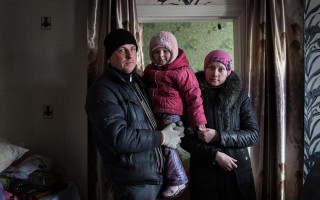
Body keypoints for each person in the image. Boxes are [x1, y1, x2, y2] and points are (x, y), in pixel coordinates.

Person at [85, 29, 185, 200]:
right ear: (110, 56)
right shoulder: (103, 90)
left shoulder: (138, 80)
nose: (130, 55)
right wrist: (162, 137)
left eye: (132, 48)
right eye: (122, 50)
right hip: (133, 183)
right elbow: (118, 138)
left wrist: (174, 128)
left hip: (156, 177)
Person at [181, 49, 260, 200]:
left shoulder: (240, 96)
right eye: (211, 68)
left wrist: (219, 136)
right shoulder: (191, 96)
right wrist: (215, 155)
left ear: (228, 71)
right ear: (205, 69)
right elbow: (185, 138)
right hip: (204, 173)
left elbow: (253, 134)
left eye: (221, 69)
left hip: (237, 172)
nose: (215, 73)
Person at [143, 31, 207, 199]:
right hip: (154, 113)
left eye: (165, 51)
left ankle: (179, 180)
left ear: (173, 51)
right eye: (156, 52)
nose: (161, 56)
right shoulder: (149, 70)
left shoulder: (183, 71)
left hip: (172, 113)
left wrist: (198, 122)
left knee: (168, 144)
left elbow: (194, 97)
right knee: (155, 144)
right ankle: (165, 177)